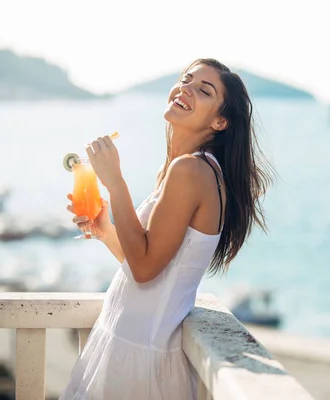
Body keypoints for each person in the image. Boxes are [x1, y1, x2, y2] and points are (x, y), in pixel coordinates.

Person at [59, 58, 274, 399]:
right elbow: (149, 263)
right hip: (126, 340)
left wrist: (116, 183)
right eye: (186, 80)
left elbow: (145, 270)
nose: (186, 88)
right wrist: (104, 229)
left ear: (220, 121)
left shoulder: (192, 170)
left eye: (204, 90)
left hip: (140, 357)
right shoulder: (182, 169)